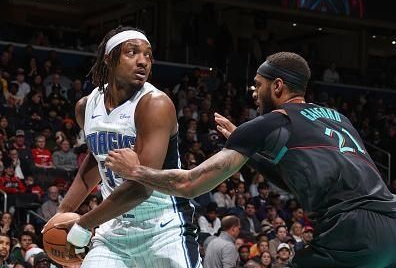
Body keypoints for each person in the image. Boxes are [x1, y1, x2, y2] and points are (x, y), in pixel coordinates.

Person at [107, 51, 396, 268]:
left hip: (351, 232)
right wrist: (252, 153)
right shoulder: (339, 119)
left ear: (278, 86)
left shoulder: (269, 122)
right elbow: (293, 182)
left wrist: (136, 170)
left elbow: (191, 184)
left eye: (258, 85)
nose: (254, 93)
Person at [44, 26, 201, 268]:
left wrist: (83, 223)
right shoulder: (86, 106)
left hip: (163, 228)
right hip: (115, 229)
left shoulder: (155, 104)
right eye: (132, 52)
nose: (143, 61)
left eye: (148, 55)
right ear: (109, 59)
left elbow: (140, 188)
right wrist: (62, 214)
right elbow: (96, 161)